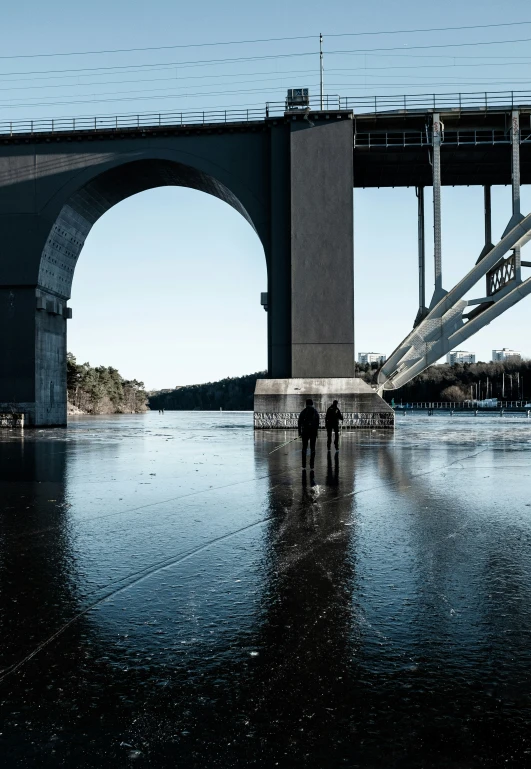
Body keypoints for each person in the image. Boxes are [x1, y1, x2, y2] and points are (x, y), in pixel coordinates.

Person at [298, 398, 320, 470]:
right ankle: (312, 465)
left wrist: (299, 432)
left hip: (305, 432)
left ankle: (304, 465)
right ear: (312, 404)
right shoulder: (315, 412)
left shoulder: (303, 412)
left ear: (306, 404)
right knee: (312, 448)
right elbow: (317, 422)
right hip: (313, 432)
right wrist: (316, 432)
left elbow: (299, 422)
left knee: (304, 447)